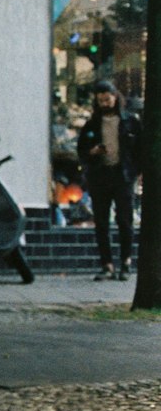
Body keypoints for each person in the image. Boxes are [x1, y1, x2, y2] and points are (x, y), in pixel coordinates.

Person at [77, 80, 141, 280]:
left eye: (108, 99)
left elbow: (140, 149)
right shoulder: (92, 124)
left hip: (123, 176)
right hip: (100, 175)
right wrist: (92, 152)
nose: (105, 103)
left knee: (125, 220)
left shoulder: (130, 121)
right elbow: (81, 151)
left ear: (115, 97)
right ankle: (107, 264)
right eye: (101, 100)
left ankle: (126, 262)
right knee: (102, 222)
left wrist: (135, 173)